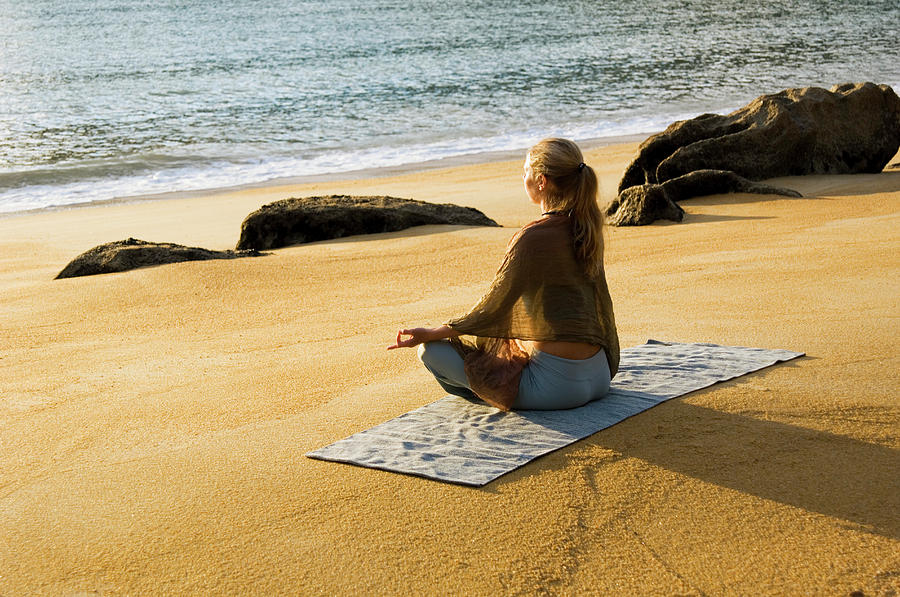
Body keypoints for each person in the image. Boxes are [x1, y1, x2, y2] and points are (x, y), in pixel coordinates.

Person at [387, 138, 619, 411]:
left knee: (431, 352)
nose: (523, 179)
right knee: (518, 345)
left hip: (559, 390)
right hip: (600, 375)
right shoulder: (587, 226)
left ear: (542, 181)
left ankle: (499, 399)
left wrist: (431, 333)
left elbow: (492, 308)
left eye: (525, 173)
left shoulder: (532, 238)